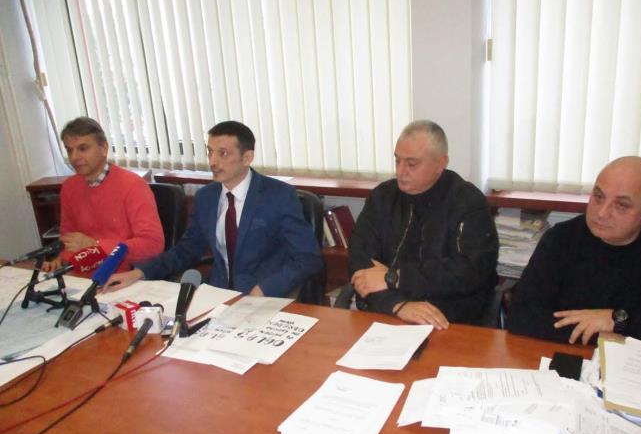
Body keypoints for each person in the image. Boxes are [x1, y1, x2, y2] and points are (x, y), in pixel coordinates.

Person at [104, 120, 323, 297]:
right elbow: (187, 250)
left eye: (223, 153)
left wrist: (264, 289)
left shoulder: (279, 196)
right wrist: (140, 273)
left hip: (264, 296)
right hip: (218, 294)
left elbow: (308, 258)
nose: (213, 162)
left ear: (247, 157)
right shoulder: (206, 197)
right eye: (210, 152)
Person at [506, 156, 641, 349]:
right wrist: (606, 334)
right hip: (570, 354)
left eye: (621, 205)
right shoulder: (562, 238)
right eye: (598, 197)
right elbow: (520, 317)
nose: (601, 213)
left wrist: (617, 321)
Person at [348, 120, 498, 329]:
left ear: (441, 163)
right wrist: (397, 305)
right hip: (384, 311)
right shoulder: (382, 196)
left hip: (446, 319)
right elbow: (359, 260)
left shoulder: (468, 202)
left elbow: (470, 272)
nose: (400, 171)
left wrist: (395, 277)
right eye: (397, 160)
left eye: (411, 164)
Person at [43, 117, 164, 273]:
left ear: (104, 148)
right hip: (80, 272)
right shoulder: (69, 187)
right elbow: (68, 239)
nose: (74, 157)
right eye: (69, 150)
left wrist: (95, 245)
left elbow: (152, 245)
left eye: (83, 148)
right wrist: (60, 260)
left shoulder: (133, 186)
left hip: (121, 273)